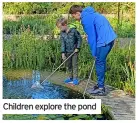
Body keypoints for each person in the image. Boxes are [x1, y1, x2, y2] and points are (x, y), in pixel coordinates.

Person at [69, 5, 117, 95]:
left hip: (104, 41)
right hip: (110, 38)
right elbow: (94, 31)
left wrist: (94, 52)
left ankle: (101, 88)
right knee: (100, 61)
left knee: (99, 62)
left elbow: (92, 38)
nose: (74, 18)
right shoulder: (90, 14)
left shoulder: (85, 19)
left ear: (78, 13)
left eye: (73, 16)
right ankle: (100, 85)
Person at [56, 17, 82, 85]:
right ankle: (70, 78)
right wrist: (63, 53)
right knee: (68, 65)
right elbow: (62, 43)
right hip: (67, 52)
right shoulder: (62, 33)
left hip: (74, 51)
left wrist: (78, 47)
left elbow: (79, 39)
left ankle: (75, 79)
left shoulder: (74, 31)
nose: (60, 29)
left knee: (74, 65)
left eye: (60, 27)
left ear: (65, 24)